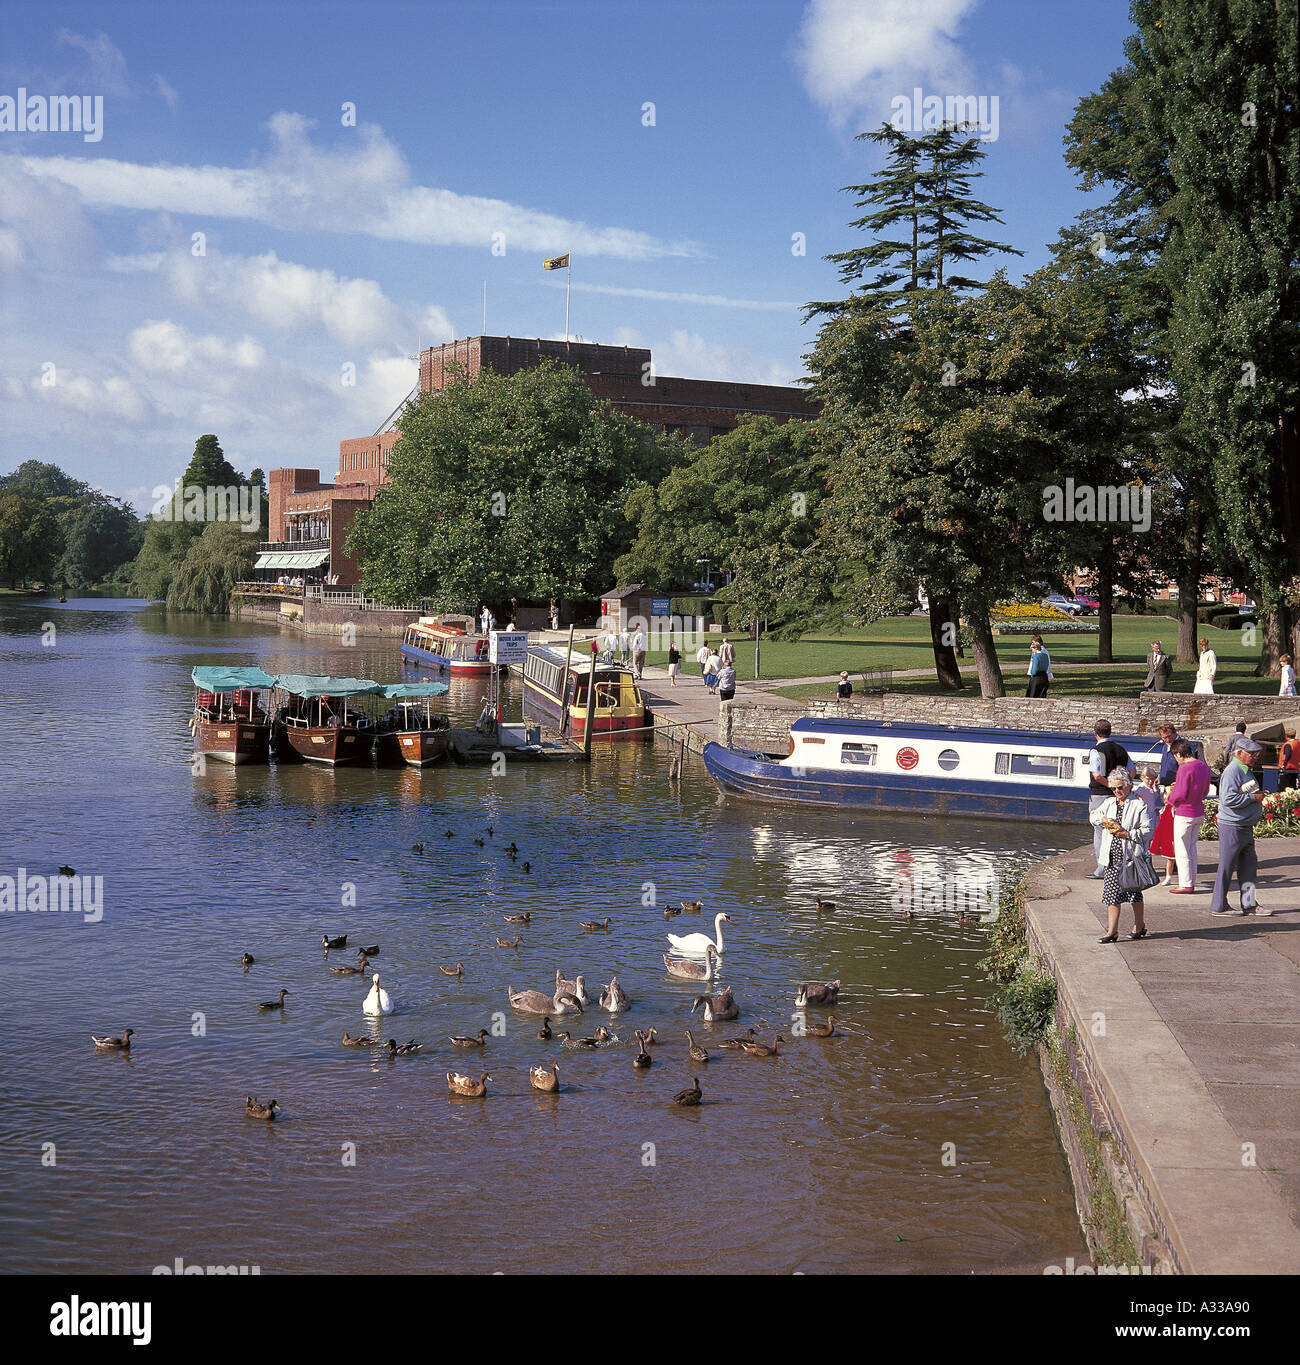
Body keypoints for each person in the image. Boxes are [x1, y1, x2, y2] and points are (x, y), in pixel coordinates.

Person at [1090, 768, 1153, 942]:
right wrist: (1103, 820)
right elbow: (1093, 816)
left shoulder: (1139, 805)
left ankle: (1139, 925)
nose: (1117, 792)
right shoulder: (1109, 803)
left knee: (1134, 894)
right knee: (1111, 895)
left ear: (1128, 786)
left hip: (1130, 857)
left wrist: (1128, 834)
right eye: (1113, 788)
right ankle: (1112, 931)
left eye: (1120, 788)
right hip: (1111, 856)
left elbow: (1148, 831)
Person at [1210, 737, 1268, 916]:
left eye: (1255, 754)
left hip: (1243, 826)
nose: (1254, 757)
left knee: (1249, 867)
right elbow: (1227, 799)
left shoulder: (1244, 770)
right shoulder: (1233, 771)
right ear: (1239, 753)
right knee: (1226, 867)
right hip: (1232, 826)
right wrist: (1253, 798)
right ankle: (1219, 906)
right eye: (1251, 754)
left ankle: (1249, 904)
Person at [1087, 719, 1135, 878]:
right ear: (1110, 732)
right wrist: (1122, 787)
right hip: (1119, 797)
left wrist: (1111, 785)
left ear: (1095, 734)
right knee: (1118, 829)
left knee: (1100, 831)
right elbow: (1132, 770)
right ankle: (1121, 865)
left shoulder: (1096, 751)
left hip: (1100, 795)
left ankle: (1102, 869)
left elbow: (1097, 775)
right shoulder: (1121, 749)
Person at [1165, 739, 1213, 892]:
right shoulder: (1203, 766)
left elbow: (1180, 793)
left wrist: (1169, 798)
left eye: (1175, 756)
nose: (1176, 759)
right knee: (1192, 848)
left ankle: (1186, 884)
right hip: (1198, 810)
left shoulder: (1184, 768)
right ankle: (1191, 879)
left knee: (1182, 849)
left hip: (1184, 812)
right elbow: (1205, 791)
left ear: (1179, 754)